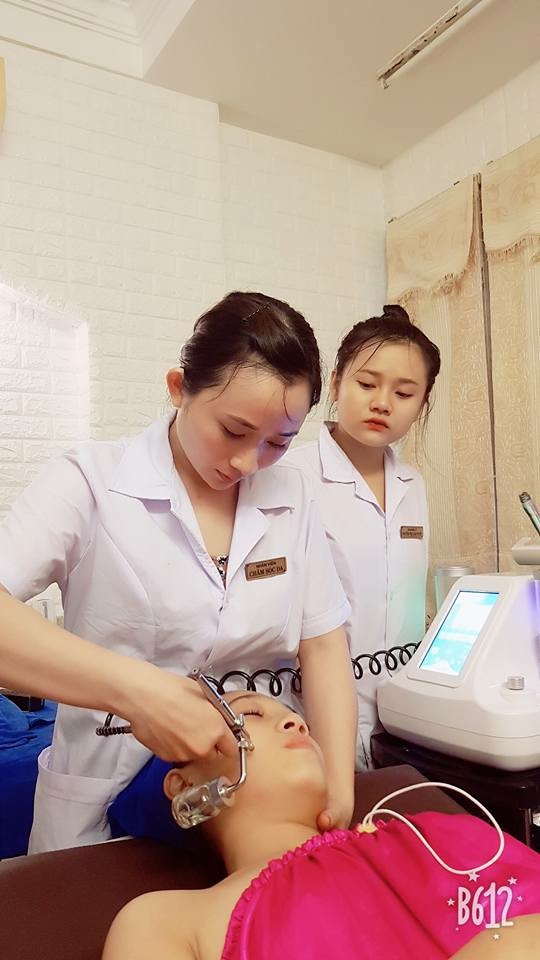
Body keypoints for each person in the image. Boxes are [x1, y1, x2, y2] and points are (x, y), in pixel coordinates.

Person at [0, 291, 356, 853]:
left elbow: (324, 644)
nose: (247, 463)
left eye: (278, 442)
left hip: (256, 806)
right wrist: (136, 692)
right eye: (233, 431)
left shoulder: (293, 495)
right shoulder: (91, 481)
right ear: (178, 387)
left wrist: (338, 789)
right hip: (106, 806)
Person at [102, 691, 540, 960]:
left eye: (298, 720)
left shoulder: (431, 838)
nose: (296, 722)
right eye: (250, 714)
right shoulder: (167, 921)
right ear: (185, 786)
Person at [286, 304, 441, 767]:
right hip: (312, 718)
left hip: (404, 720)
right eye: (367, 384)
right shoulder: (291, 476)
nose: (382, 403)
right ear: (336, 384)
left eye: (404, 392)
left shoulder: (413, 485)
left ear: (422, 404)